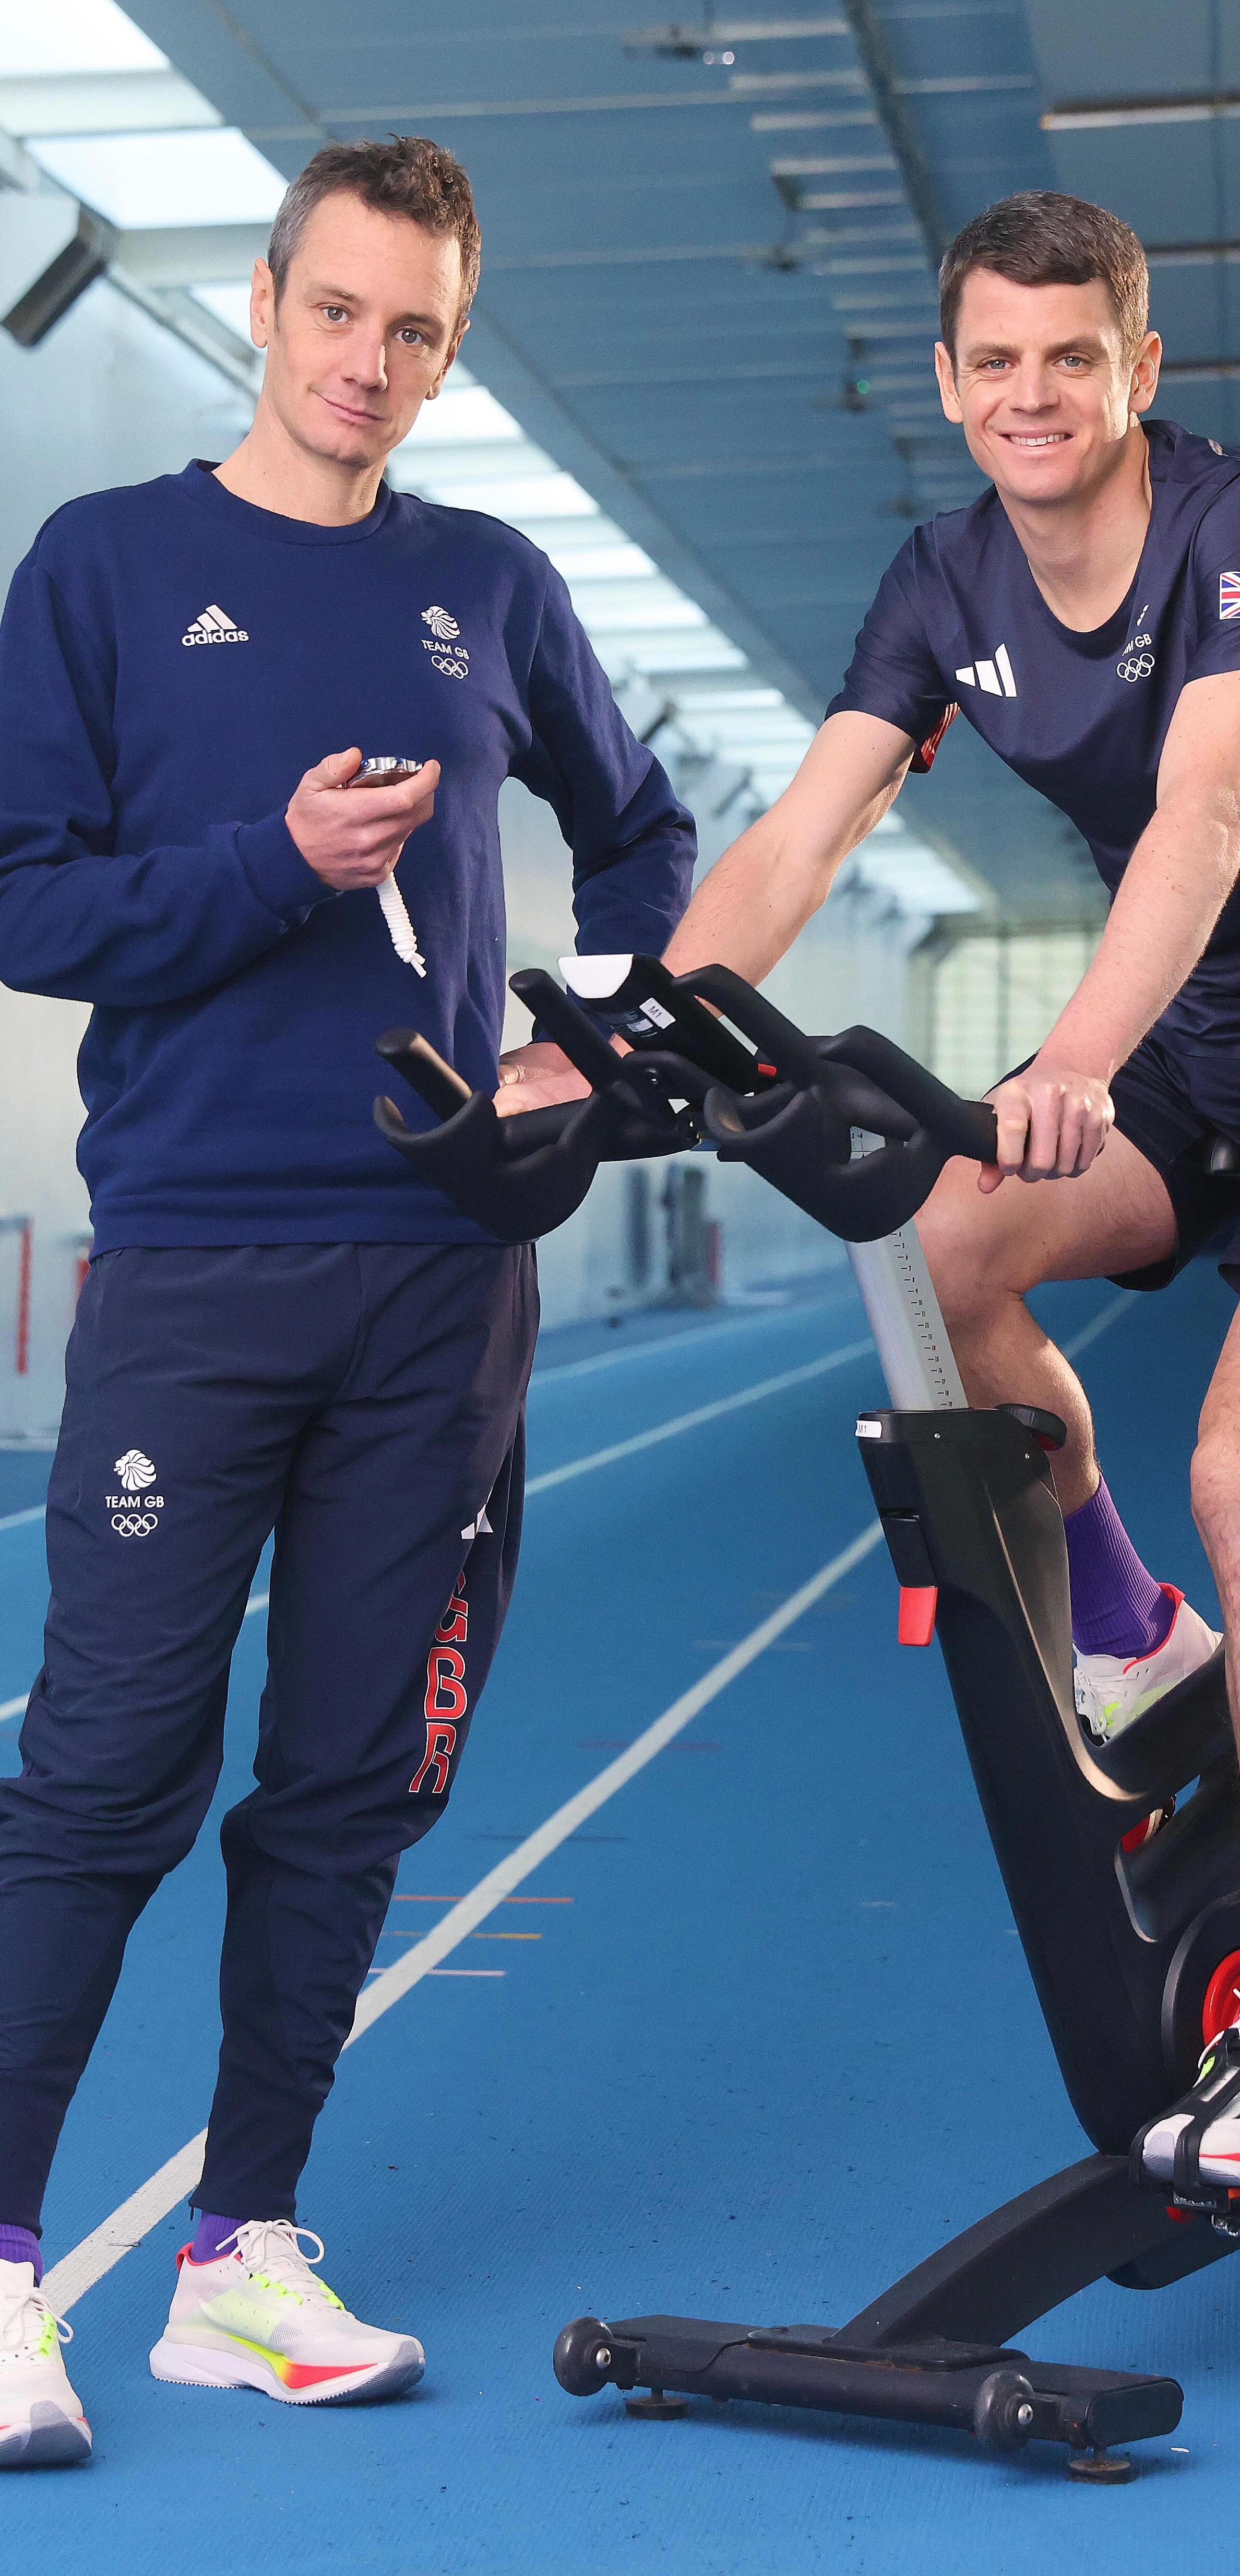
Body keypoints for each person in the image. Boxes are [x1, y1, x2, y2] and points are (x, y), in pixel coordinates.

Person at [637, 192, 1240, 2195]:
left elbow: (1210, 806)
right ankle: (1139, 1636)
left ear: (1138, 370)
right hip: (1195, 1052)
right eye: (992, 361)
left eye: (1069, 357)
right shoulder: (940, 580)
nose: (1030, 393)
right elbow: (800, 839)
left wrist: (1074, 1052)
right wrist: (628, 1031)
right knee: (936, 1232)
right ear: (947, 380)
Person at [0, 136, 694, 2465]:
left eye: (414, 330)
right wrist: (265, 867)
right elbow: (30, 903)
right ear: (267, 302)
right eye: (334, 313)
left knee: (351, 1781)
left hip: (449, 1278)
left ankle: (243, 2257)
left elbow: (647, 831)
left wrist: (576, 1039)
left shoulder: (488, 585)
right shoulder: (101, 569)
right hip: (197, 1260)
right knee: (103, 1771)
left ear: (449, 344)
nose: (366, 364)